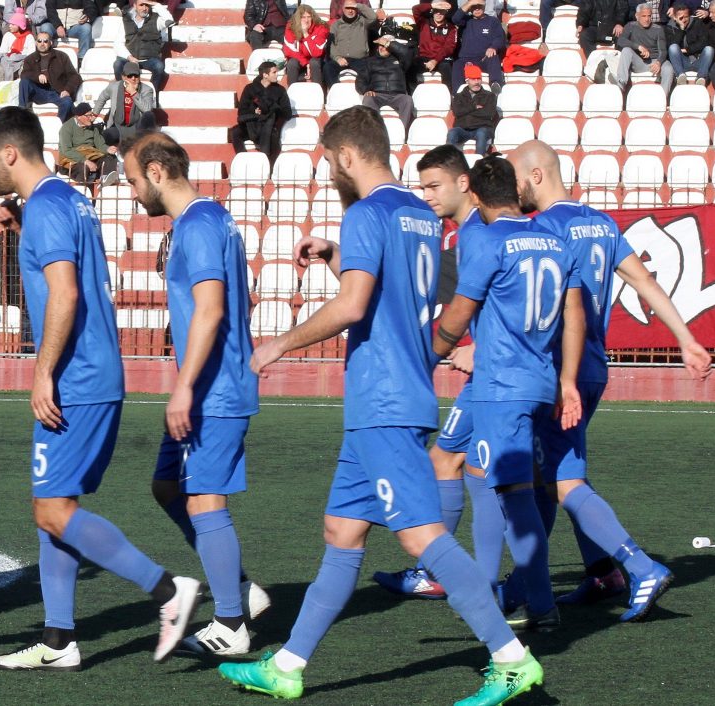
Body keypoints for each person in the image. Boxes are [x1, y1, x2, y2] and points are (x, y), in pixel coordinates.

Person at [217, 107, 544, 705]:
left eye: (328, 161)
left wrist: (277, 345)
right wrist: (335, 253)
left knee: (421, 537)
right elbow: (388, 289)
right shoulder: (418, 213)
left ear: (346, 155)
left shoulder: (366, 212)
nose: (329, 172)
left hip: (383, 397)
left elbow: (352, 305)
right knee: (342, 530)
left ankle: (511, 657)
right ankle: (287, 665)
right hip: (395, 392)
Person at [0, 107, 201, 671]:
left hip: (77, 378)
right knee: (54, 504)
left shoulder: (47, 206)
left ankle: (168, 591)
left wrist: (42, 372)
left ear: (9, 153)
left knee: (51, 509)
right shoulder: (66, 200)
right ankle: (58, 640)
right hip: (93, 372)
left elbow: (65, 293)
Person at [506, 140, 712, 621]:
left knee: (560, 480)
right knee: (552, 473)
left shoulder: (544, 229)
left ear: (536, 176)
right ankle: (598, 573)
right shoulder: (600, 222)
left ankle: (639, 567)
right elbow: (644, 281)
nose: (512, 190)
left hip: (562, 372)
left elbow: (548, 307)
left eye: (514, 178)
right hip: (594, 367)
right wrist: (685, 338)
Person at [123, 132, 269, 656]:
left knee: (205, 498)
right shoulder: (205, 220)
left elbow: (211, 307)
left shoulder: (201, 224)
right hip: (208, 384)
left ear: (156, 172)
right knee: (167, 487)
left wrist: (184, 386)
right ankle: (241, 589)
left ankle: (230, 624)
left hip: (214, 388)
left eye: (134, 180)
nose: (133, 191)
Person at [433, 155, 586, 634]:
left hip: (502, 386)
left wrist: (429, 354)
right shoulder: (555, 239)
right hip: (541, 380)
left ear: (476, 197)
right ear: (516, 192)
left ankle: (539, 604)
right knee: (499, 483)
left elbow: (461, 310)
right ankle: (500, 590)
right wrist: (566, 380)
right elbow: (574, 315)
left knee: (514, 496)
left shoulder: (487, 240)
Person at [372, 145, 507, 600]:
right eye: (422, 186)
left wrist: (479, 350)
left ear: (463, 183)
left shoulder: (479, 233)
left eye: (434, 186)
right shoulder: (466, 233)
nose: (427, 195)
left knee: (491, 473)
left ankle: (465, 578)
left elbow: (510, 301)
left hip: (499, 375)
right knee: (458, 463)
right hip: (496, 375)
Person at [231, 60, 292, 164]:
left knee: (274, 137)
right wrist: (254, 111)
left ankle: (269, 167)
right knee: (235, 132)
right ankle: (243, 161)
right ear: (265, 75)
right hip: (251, 126)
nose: (277, 75)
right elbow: (241, 112)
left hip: (269, 127)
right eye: (274, 72)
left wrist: (274, 107)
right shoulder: (249, 88)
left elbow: (288, 114)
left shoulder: (280, 90)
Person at [18, 31, 81, 122]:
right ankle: (21, 115)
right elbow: (24, 74)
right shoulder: (29, 59)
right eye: (39, 41)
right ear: (36, 43)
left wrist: (67, 90)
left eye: (45, 41)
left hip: (57, 92)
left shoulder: (61, 56)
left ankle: (58, 125)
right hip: (38, 92)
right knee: (24, 82)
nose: (42, 44)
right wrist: (37, 76)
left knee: (67, 102)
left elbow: (74, 76)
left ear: (50, 43)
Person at [611, 3, 675, 94]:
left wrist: (658, 62)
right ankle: (621, 85)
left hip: (654, 62)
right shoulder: (630, 26)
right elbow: (620, 41)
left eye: (649, 16)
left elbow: (663, 50)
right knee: (626, 50)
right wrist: (638, 47)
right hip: (638, 62)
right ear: (637, 16)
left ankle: (663, 97)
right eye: (643, 16)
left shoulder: (658, 29)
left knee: (668, 68)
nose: (647, 19)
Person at [356, 35, 414, 131]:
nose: (382, 48)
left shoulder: (401, 60)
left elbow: (407, 53)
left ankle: (402, 132)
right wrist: (366, 90)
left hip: (397, 95)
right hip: (377, 95)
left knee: (408, 100)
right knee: (368, 99)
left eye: (384, 46)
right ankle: (373, 132)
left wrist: (388, 43)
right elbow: (360, 80)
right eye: (380, 45)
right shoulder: (370, 61)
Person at [92, 61, 157, 147]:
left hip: (137, 127)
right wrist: (94, 114)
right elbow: (102, 97)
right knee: (105, 136)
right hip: (118, 126)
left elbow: (147, 109)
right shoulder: (114, 87)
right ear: (123, 77)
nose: (133, 78)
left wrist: (134, 93)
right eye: (130, 76)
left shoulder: (146, 90)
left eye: (136, 76)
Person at [114, 0, 170, 93]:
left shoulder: (156, 20)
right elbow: (118, 44)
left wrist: (156, 4)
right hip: (130, 58)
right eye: (141, 5)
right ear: (135, 6)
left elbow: (170, 20)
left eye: (147, 5)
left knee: (159, 66)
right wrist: (130, 57)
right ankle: (123, 92)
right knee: (117, 64)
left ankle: (150, 94)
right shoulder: (126, 21)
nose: (144, 8)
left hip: (148, 59)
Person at [57, 101, 118, 184]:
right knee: (83, 168)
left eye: (91, 115)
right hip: (72, 160)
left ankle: (105, 182)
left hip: (90, 156)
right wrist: (85, 161)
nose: (91, 118)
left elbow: (100, 145)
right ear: (79, 117)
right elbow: (66, 150)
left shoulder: (93, 128)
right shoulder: (66, 128)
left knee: (110, 158)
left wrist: (107, 149)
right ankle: (82, 188)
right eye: (88, 115)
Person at [451, 0, 506, 91]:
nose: (477, 9)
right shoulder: (466, 20)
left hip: (484, 59)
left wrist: (493, 47)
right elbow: (455, 19)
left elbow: (499, 37)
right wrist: (469, 3)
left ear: (484, 6)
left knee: (494, 57)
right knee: (457, 63)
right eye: (474, 7)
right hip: (466, 60)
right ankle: (457, 93)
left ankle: (496, 85)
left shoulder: (493, 21)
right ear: (470, 8)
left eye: (479, 6)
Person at [323, 0, 377, 88]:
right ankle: (335, 91)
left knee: (369, 71)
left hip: (360, 60)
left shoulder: (363, 22)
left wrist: (358, 5)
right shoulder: (336, 25)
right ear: (343, 9)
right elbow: (332, 45)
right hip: (341, 59)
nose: (350, 10)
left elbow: (373, 17)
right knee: (328, 68)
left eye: (353, 8)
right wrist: (338, 58)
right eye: (348, 8)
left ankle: (364, 93)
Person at [446, 64, 499, 154]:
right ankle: (450, 159)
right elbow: (457, 112)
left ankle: (480, 159)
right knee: (452, 132)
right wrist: (474, 107)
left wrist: (466, 112)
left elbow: (488, 113)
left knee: (481, 133)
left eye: (478, 79)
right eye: (473, 79)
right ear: (467, 80)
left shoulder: (490, 96)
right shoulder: (459, 97)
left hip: (482, 128)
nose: (477, 82)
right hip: (463, 129)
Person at [411, 0, 458, 88]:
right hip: (424, 57)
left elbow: (449, 47)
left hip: (441, 59)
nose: (438, 14)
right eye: (436, 11)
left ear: (446, 12)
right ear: (432, 11)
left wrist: (435, 60)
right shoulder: (423, 22)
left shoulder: (451, 28)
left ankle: (448, 93)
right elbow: (415, 9)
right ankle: (415, 94)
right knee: (413, 67)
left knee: (446, 66)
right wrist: (432, 5)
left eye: (442, 11)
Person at [282, 4, 328, 85]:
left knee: (314, 62)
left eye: (309, 17)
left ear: (313, 17)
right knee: (292, 63)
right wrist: (306, 63)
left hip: (316, 60)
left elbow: (317, 53)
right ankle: (291, 90)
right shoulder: (290, 28)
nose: (306, 20)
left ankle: (318, 90)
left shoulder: (321, 28)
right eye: (303, 17)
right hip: (300, 60)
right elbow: (290, 51)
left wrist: (305, 33)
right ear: (298, 18)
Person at [667, 2, 712, 84]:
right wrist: (681, 29)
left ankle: (701, 77)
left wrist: (687, 50)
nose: (684, 20)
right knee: (673, 47)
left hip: (698, 60)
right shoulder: (670, 27)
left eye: (686, 17)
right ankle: (680, 76)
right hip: (682, 62)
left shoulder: (697, 22)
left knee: (709, 49)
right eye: (681, 18)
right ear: (675, 18)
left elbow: (703, 42)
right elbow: (672, 46)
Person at [577, 0, 627, 67]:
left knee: (622, 37)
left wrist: (619, 23)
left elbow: (623, 10)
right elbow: (584, 10)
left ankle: (618, 64)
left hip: (613, 27)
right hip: (595, 27)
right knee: (584, 35)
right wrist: (581, 24)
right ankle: (593, 63)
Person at [0, 7, 34, 81]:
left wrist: (19, 58)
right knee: (1, 69)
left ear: (20, 26)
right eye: (10, 24)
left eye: (13, 24)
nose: (10, 26)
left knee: (23, 69)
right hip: (8, 60)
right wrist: (10, 59)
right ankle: (3, 86)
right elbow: (3, 51)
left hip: (23, 61)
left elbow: (31, 54)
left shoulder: (29, 37)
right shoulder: (7, 35)